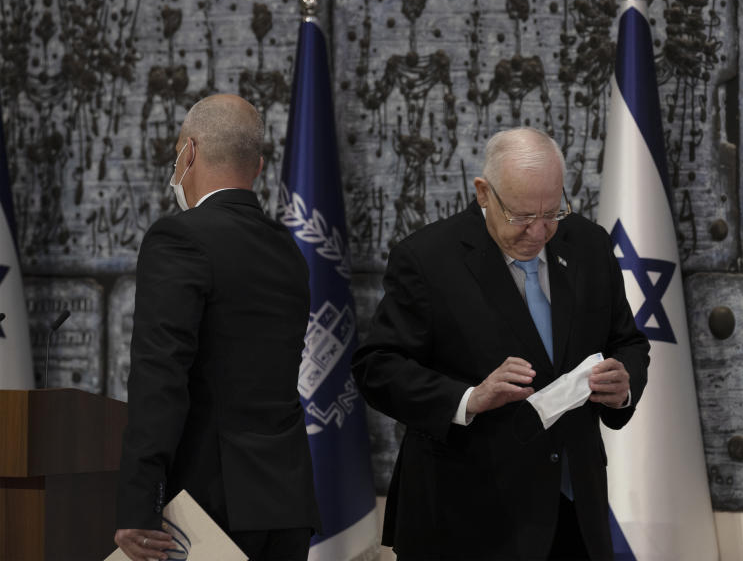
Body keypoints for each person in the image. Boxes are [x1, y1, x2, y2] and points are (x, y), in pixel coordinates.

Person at [352, 127, 651, 560]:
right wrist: (469, 398)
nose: (539, 231)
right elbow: (376, 367)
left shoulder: (588, 244)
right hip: (466, 518)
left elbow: (628, 341)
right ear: (483, 193)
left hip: (573, 510)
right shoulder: (427, 258)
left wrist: (624, 386)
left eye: (553, 212)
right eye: (522, 216)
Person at [114, 94, 320, 561]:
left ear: (189, 152)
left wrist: (137, 500)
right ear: (259, 165)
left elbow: (160, 375)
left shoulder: (180, 238)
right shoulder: (287, 251)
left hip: (207, 508)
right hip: (285, 502)